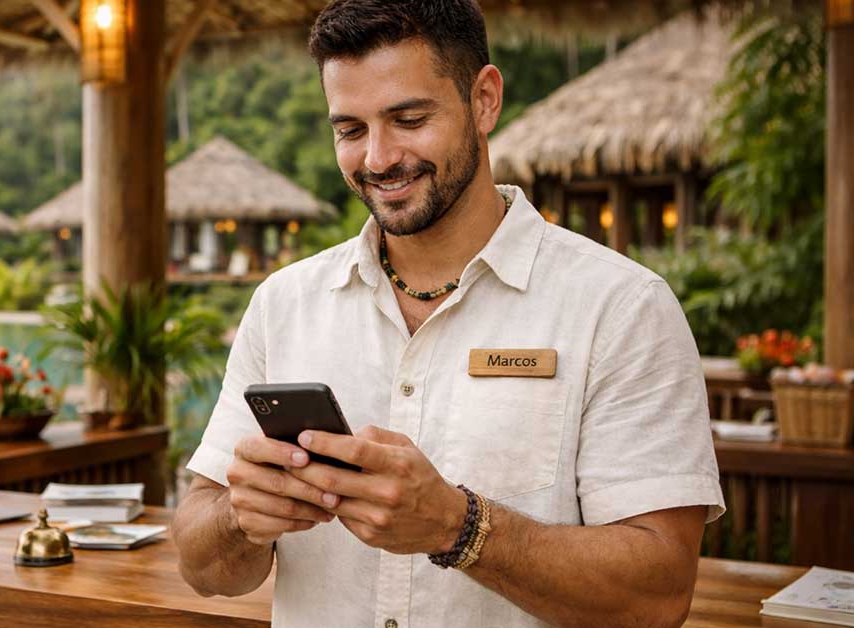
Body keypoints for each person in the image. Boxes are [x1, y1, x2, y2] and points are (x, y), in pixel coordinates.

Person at [171, 2, 725, 627]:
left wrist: (459, 527)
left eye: (408, 119)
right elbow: (204, 565)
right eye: (350, 130)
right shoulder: (284, 302)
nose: (378, 159)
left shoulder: (621, 308)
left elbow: (657, 598)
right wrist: (240, 519)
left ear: (484, 100)